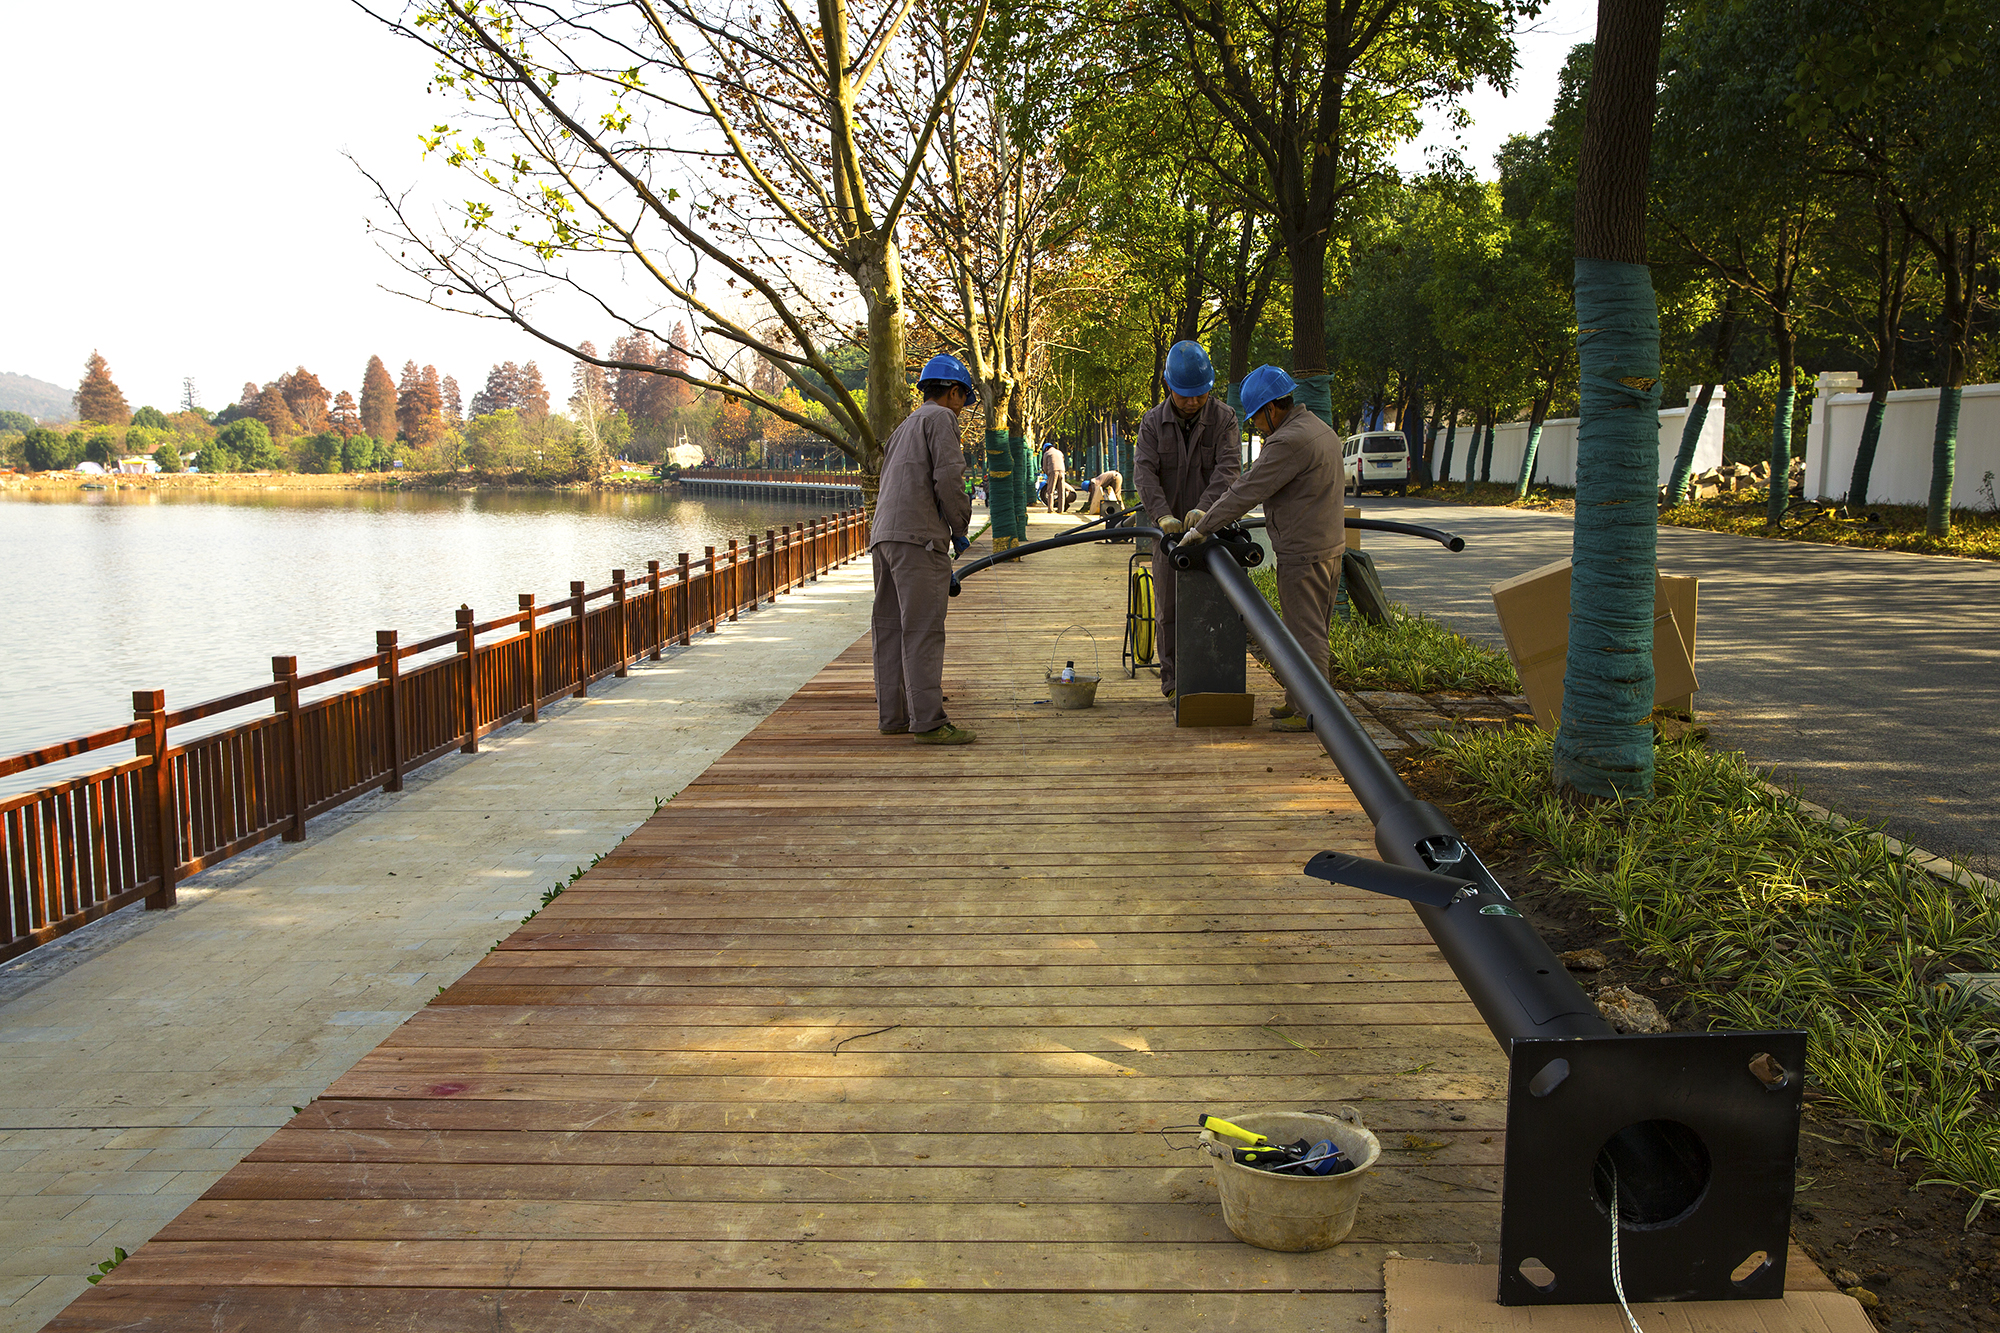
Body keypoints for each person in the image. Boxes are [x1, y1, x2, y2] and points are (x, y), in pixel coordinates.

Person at [1179, 365, 1343, 732]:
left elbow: (1247, 489)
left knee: (1306, 635)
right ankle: (1298, 699)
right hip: (1327, 548)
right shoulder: (1317, 427)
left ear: (1272, 408)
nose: (1256, 426)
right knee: (1310, 629)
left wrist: (1203, 527)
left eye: (1256, 417)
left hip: (1303, 553)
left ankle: (1314, 714)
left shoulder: (1288, 441)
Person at [870, 354, 977, 745]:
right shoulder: (942, 418)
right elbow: (949, 478)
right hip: (919, 539)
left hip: (884, 538)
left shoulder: (904, 426)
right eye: (963, 399)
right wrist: (960, 527)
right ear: (953, 392)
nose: (962, 409)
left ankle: (893, 717)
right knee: (922, 631)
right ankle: (929, 723)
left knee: (889, 629)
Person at [1133, 340, 1240, 701]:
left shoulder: (1224, 419)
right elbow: (1144, 473)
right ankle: (1174, 682)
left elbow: (1229, 469)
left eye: (1200, 394)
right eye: (1184, 395)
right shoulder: (1152, 423)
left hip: (1212, 531)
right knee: (1168, 609)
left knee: (1217, 605)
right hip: (1168, 534)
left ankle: (1213, 678)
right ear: (1169, 386)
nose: (1193, 402)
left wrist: (1206, 512)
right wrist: (1162, 515)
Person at [1042, 442, 1069, 512]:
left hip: (1053, 471)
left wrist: (1048, 474)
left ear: (1046, 449)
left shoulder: (1047, 453)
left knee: (1050, 491)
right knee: (1061, 491)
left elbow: (1045, 466)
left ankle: (1050, 509)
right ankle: (1061, 509)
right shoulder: (1060, 452)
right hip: (1062, 471)